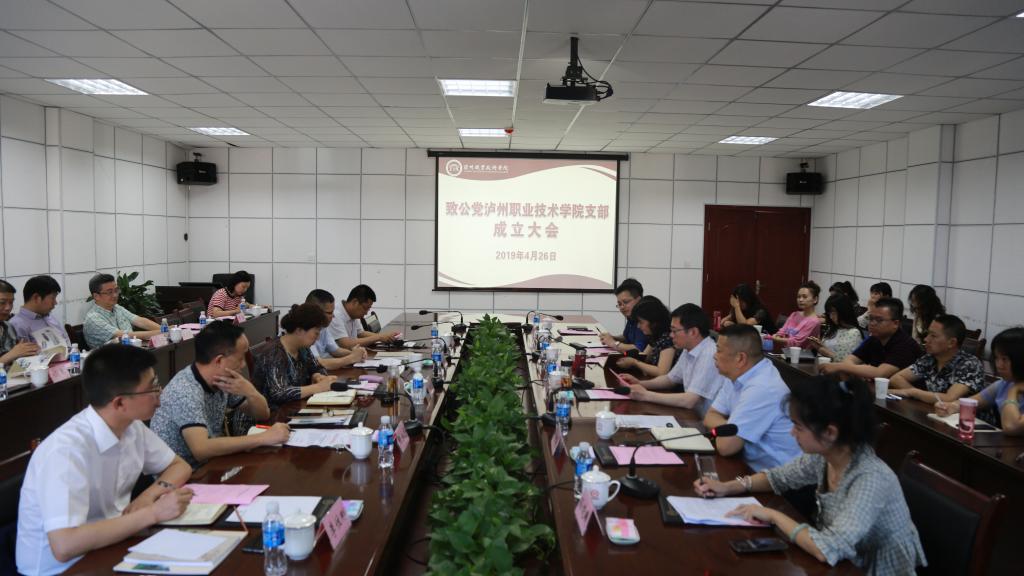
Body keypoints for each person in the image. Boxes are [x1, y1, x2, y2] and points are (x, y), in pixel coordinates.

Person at [694, 376, 926, 575]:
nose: (791, 432)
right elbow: (779, 478)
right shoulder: (827, 455)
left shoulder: (871, 477)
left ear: (830, 432)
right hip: (842, 562)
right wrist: (728, 487)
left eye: (798, 426)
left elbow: (828, 548)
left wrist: (774, 516)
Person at [16, 345, 194, 575]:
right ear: (119, 403)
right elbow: (64, 545)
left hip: (111, 547)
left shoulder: (131, 426)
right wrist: (153, 513)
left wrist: (147, 497)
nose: (160, 393)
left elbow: (179, 466)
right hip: (63, 569)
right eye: (152, 387)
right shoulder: (66, 451)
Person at [149, 321, 290, 468]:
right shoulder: (184, 391)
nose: (243, 365)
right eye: (240, 358)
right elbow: (201, 449)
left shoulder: (222, 380)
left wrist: (250, 391)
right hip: (184, 474)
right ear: (220, 360)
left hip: (209, 465)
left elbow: (262, 414)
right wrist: (262, 438)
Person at [703, 324, 801, 471]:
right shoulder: (736, 374)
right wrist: (733, 426)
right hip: (748, 466)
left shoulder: (763, 388)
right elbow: (710, 416)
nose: (714, 355)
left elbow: (726, 447)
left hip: (779, 478)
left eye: (719, 350)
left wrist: (733, 429)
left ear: (740, 358)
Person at [233, 304, 338, 433]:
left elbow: (317, 367)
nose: (317, 338)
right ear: (299, 330)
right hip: (259, 423)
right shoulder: (274, 352)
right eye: (316, 333)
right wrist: (318, 387)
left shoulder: (303, 348)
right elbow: (279, 392)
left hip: (287, 414)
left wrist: (318, 376)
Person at [620, 304, 729, 415]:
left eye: (674, 331)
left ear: (693, 332)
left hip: (705, 420)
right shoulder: (689, 349)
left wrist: (646, 395)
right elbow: (670, 379)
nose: (671, 335)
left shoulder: (709, 354)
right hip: (691, 414)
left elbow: (690, 400)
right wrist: (641, 383)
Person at [936, 327, 1024, 435]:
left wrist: (1013, 391)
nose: (999, 365)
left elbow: (1011, 426)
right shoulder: (1003, 385)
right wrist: (950, 407)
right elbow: (970, 403)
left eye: (1004, 359)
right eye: (997, 358)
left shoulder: (1011, 387)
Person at [889, 314, 985, 405]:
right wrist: (916, 394)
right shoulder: (929, 359)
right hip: (934, 411)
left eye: (933, 336)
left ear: (951, 343)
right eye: (928, 334)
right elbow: (896, 379)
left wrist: (913, 393)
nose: (926, 339)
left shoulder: (970, 364)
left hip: (964, 416)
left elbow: (949, 399)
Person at [820, 298, 921, 381]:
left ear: (895, 323)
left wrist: (840, 366)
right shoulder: (874, 339)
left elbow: (880, 373)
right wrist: (860, 371)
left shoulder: (905, 344)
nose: (872, 323)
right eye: (871, 319)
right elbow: (849, 360)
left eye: (879, 320)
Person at [82, 273, 162, 349]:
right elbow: (123, 336)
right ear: (96, 296)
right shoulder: (93, 318)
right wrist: (161, 332)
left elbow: (140, 321)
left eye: (116, 290)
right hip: (109, 357)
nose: (115, 295)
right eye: (109, 292)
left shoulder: (117, 308)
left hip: (129, 352)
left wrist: (165, 330)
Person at [305, 289, 368, 370]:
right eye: (329, 313)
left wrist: (356, 354)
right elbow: (318, 363)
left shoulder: (323, 326)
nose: (333, 316)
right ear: (315, 312)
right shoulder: (305, 330)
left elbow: (335, 350)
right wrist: (351, 358)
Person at [615, 296, 676, 377]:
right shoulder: (656, 335)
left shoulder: (668, 338)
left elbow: (662, 372)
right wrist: (626, 356)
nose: (638, 326)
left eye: (641, 322)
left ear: (653, 322)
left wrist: (634, 362)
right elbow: (644, 357)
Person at [327, 285, 399, 349]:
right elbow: (346, 344)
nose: (366, 313)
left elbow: (360, 333)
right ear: (355, 302)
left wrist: (384, 337)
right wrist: (378, 337)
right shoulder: (335, 315)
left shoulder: (353, 313)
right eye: (365, 308)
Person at [10, 275, 70, 346]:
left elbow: (66, 341)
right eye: (53, 298)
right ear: (36, 298)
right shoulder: (17, 325)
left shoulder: (49, 317)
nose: (55, 302)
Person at [807, 295, 863, 362]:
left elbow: (845, 362)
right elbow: (827, 350)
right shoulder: (832, 329)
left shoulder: (853, 333)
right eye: (829, 313)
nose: (831, 317)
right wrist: (820, 346)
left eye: (833, 312)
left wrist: (825, 351)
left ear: (843, 311)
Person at [599, 278, 647, 355]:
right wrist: (612, 338)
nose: (622, 307)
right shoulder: (631, 316)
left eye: (626, 302)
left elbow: (639, 349)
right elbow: (626, 337)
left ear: (638, 300)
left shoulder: (645, 318)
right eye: (619, 304)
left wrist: (613, 343)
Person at [772, 281, 822, 350]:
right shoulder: (794, 314)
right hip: (785, 352)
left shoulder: (814, 321)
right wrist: (778, 336)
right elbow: (781, 332)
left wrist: (776, 338)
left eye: (804, 297)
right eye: (798, 297)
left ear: (815, 299)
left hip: (801, 355)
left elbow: (796, 343)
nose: (800, 300)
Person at [0, 280, 40, 364]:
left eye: (11, 302)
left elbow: (19, 357)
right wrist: (11, 355)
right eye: (2, 303)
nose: (8, 308)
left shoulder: (9, 327)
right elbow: (14, 354)